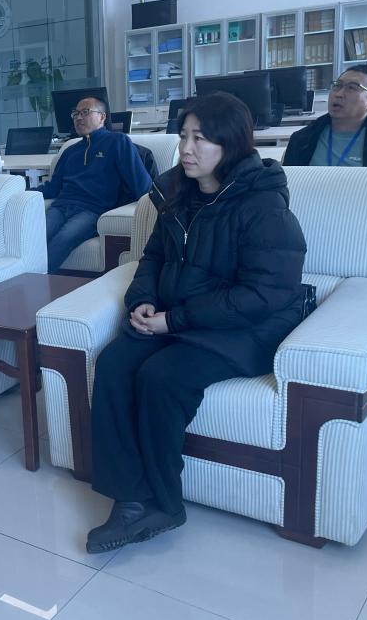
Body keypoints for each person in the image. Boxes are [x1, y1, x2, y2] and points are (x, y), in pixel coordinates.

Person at [85, 92, 307, 553]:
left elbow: (265, 293)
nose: (186, 149)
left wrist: (174, 321)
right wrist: (143, 301)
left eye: (200, 139)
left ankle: (165, 505)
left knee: (161, 377)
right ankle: (129, 499)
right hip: (178, 315)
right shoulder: (177, 194)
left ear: (231, 144)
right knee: (113, 364)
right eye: (184, 136)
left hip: (244, 327)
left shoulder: (263, 204)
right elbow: (153, 257)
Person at [37, 97, 151, 273]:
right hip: (60, 207)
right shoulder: (70, 150)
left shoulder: (118, 142)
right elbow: (53, 188)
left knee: (63, 238)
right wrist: (23, 192)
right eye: (75, 113)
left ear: (102, 117)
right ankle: (18, 280)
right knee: (35, 237)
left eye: (85, 112)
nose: (78, 118)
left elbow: (142, 185)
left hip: (92, 210)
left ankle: (33, 280)